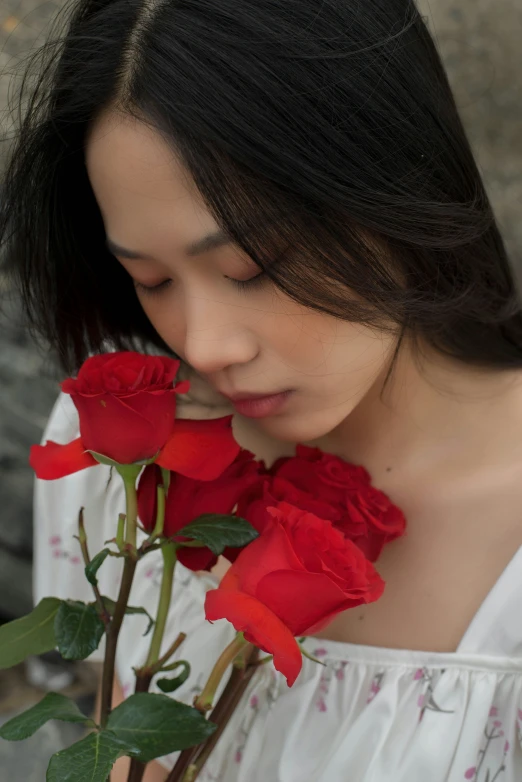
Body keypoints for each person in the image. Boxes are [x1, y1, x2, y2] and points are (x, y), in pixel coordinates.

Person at [2, 0, 522, 778]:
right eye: (151, 279)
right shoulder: (124, 451)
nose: (205, 345)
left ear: (393, 182)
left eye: (254, 268)